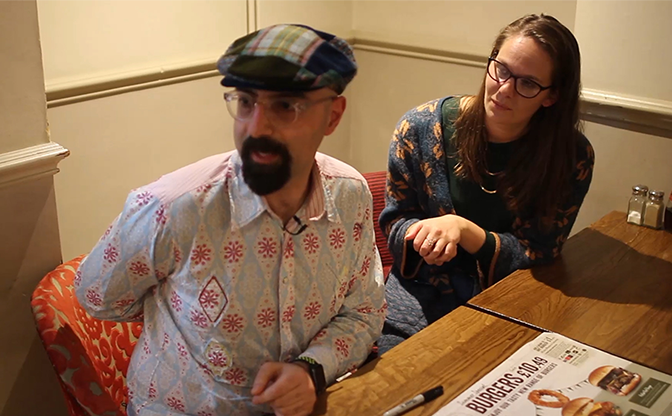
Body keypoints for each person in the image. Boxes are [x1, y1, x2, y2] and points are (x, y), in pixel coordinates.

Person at [75, 24, 386, 416]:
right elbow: (98, 297)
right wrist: (174, 317)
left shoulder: (350, 195)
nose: (256, 127)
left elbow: (364, 311)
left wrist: (312, 368)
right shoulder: (172, 208)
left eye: (285, 106)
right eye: (246, 102)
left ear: (333, 116)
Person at [378, 14, 594, 353]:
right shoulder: (419, 128)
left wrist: (466, 231)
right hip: (417, 306)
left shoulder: (570, 156)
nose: (504, 89)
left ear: (551, 96)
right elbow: (394, 224)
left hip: (511, 308)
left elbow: (541, 249)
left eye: (527, 84)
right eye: (501, 69)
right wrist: (426, 236)